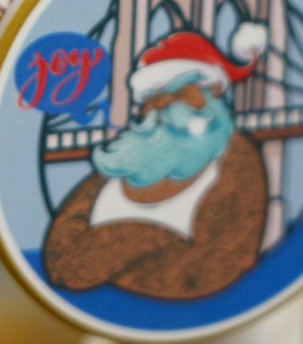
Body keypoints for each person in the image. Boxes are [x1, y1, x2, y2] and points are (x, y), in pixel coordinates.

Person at [43, 25, 269, 301]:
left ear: (213, 97)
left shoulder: (237, 162)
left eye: (180, 94)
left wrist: (105, 252)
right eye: (153, 98)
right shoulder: (128, 159)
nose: (162, 106)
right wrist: (157, 240)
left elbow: (209, 271)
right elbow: (59, 258)